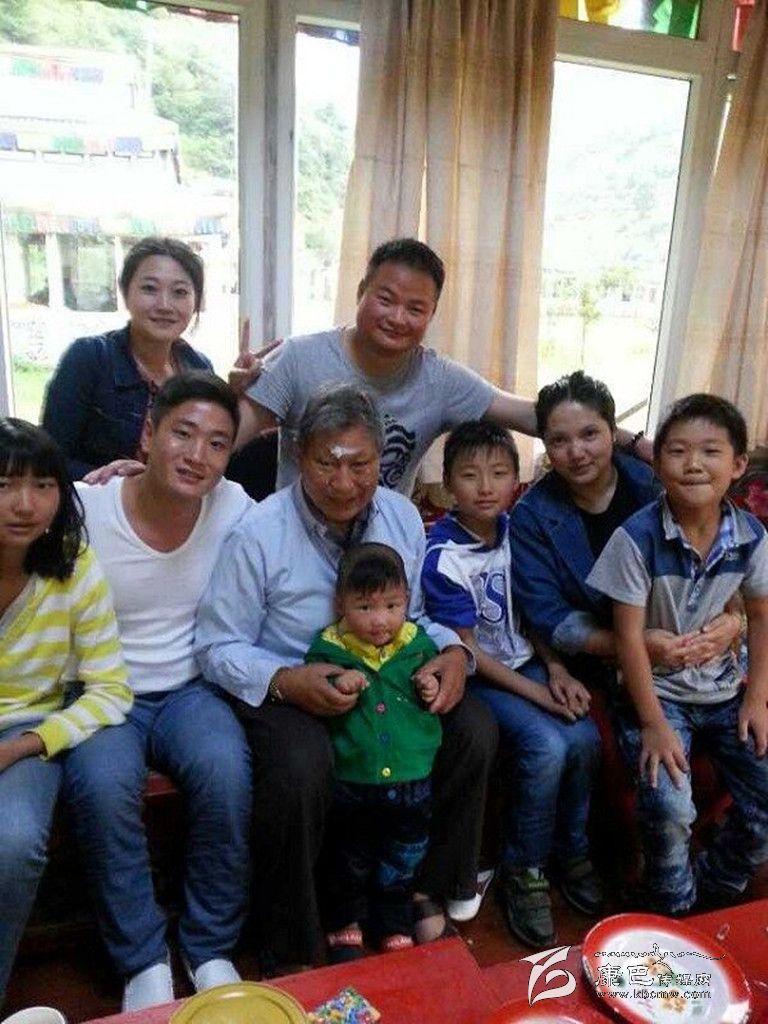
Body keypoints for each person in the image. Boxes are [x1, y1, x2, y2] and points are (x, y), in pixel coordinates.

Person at [195, 384, 497, 973]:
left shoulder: (400, 515)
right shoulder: (259, 532)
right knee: (301, 764)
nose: (343, 482)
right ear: (298, 456)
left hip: (389, 673)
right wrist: (288, 680)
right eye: (326, 463)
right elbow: (217, 645)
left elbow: (415, 616)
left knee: (474, 728)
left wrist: (453, 654)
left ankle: (419, 891)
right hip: (291, 682)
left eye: (360, 464)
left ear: (381, 459)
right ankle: (296, 939)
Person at [61, 372, 253, 1012]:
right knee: (102, 788)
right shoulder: (87, 508)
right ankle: (143, 958)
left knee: (226, 771)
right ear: (148, 433)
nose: (198, 455)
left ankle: (209, 947)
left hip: (190, 690)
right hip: (102, 692)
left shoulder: (233, 506)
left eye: (218, 444)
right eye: (183, 433)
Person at [233, 238, 652, 495]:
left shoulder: (439, 380)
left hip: (383, 555)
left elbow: (536, 416)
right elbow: (225, 436)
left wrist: (636, 444)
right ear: (361, 292)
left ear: (431, 314)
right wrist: (227, 391)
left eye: (415, 308)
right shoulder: (298, 358)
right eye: (385, 299)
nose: (397, 318)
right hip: (296, 546)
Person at [587, 394, 768, 915]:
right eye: (678, 451)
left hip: (724, 689)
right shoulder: (636, 538)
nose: (693, 464)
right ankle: (672, 909)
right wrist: (652, 723)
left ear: (737, 465)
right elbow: (628, 639)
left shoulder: (751, 537)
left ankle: (712, 889)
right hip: (658, 694)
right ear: (657, 464)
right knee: (669, 806)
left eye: (711, 451)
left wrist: (757, 699)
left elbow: (760, 616)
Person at [422, 421, 601, 948]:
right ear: (447, 484)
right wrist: (538, 693)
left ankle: (572, 850)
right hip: (481, 678)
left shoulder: (517, 531)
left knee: (585, 738)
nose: (485, 487)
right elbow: (468, 652)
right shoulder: (443, 555)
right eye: (470, 475)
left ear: (516, 481)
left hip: (530, 663)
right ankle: (525, 869)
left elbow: (533, 612)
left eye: (499, 473)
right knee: (546, 746)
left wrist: (557, 669)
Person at [0, 420, 131, 1009]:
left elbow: (110, 690)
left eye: (43, 485)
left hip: (24, 729)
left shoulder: (74, 565)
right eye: (4, 485)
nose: (24, 504)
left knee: (13, 842)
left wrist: (21, 746)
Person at [508, 371, 741, 689]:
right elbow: (550, 616)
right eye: (559, 441)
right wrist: (631, 645)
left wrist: (732, 620)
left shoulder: (658, 486)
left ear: (612, 432)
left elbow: (721, 555)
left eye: (590, 434)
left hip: (690, 641)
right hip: (599, 659)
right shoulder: (530, 516)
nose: (576, 452)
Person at [307, 543, 442, 961]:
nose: (380, 619)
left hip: (412, 778)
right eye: (365, 607)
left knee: (403, 855)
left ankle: (394, 921)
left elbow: (435, 677)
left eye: (391, 606)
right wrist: (339, 681)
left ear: (407, 600)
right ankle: (346, 921)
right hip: (354, 779)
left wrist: (431, 685)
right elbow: (317, 682)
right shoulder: (330, 648)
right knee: (349, 855)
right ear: (341, 604)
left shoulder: (417, 644)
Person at [41, 237, 213, 479]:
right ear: (125, 292)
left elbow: (209, 453)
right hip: (100, 500)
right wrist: (117, 479)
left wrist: (236, 394)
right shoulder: (89, 358)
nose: (165, 305)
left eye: (180, 292)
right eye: (149, 289)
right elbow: (48, 460)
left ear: (195, 301)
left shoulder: (199, 368)